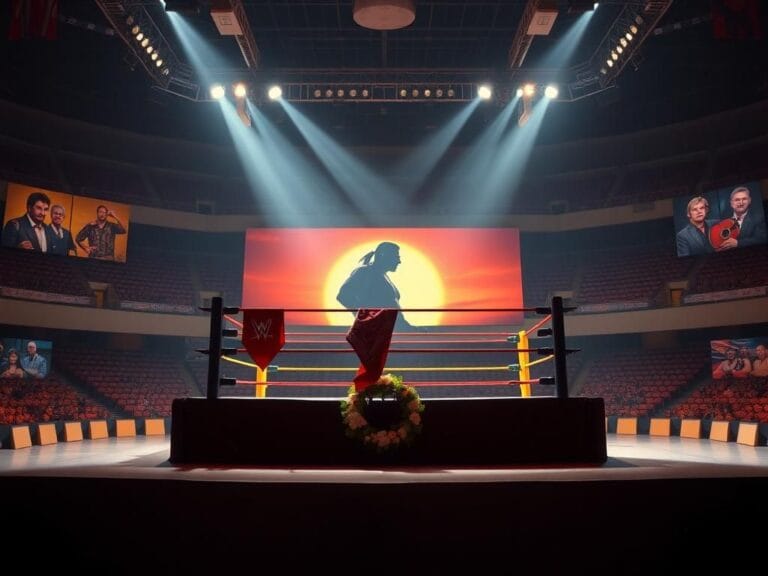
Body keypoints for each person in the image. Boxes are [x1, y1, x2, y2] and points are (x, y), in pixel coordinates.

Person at [337, 241, 418, 330]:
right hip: (376, 332)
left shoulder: (381, 275)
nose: (399, 261)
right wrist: (367, 320)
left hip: (392, 331)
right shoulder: (365, 272)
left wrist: (405, 326)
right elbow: (343, 296)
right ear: (383, 256)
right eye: (396, 257)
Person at [716, 186, 767, 250]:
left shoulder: (759, 218)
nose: (741, 203)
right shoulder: (723, 221)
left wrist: (738, 243)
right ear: (731, 203)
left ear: (749, 201)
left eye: (744, 199)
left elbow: (761, 239)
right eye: (737, 200)